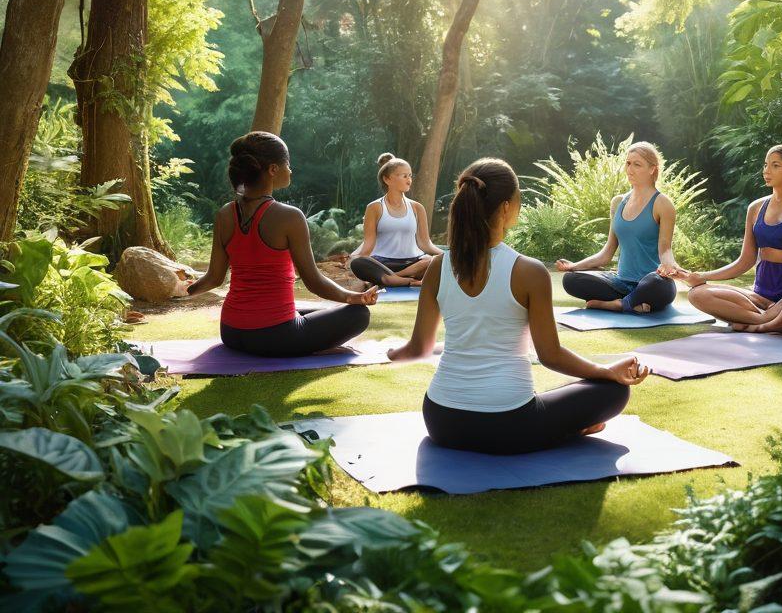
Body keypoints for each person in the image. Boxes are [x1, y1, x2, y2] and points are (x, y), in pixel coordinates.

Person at [388, 158, 650, 455]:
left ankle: (564, 424)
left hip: (441, 421)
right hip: (509, 425)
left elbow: (419, 348)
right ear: (505, 208)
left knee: (574, 393)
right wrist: (605, 372)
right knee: (614, 391)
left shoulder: (437, 266)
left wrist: (390, 353)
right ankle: (569, 427)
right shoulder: (529, 271)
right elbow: (550, 355)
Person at [188, 132, 378, 357]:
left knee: (319, 311)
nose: (291, 169)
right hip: (275, 337)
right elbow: (314, 282)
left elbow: (214, 277)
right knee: (358, 315)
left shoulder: (224, 215)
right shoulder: (290, 217)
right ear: (273, 169)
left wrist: (186, 289)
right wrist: (352, 297)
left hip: (231, 331)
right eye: (287, 163)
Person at [664, 144, 782, 337]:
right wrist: (701, 276)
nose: (766, 171)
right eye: (765, 165)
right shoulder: (755, 208)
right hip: (759, 298)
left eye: (775, 165)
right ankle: (768, 321)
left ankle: (759, 324)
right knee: (697, 294)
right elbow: (744, 262)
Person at [555, 142, 679, 313]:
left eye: (637, 164)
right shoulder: (618, 202)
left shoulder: (663, 204)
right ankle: (634, 303)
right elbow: (606, 253)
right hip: (620, 283)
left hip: (650, 283)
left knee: (659, 284)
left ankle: (621, 304)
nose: (630, 169)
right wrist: (573, 266)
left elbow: (665, 249)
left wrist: (670, 266)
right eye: (628, 163)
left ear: (652, 169)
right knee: (571, 280)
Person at [347, 154, 442, 287]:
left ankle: (394, 278)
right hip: (382, 262)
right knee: (358, 263)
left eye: (410, 176)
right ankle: (405, 280)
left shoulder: (417, 208)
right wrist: (359, 258)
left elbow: (425, 244)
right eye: (404, 176)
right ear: (387, 179)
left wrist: (445, 255)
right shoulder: (374, 207)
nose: (409, 180)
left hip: (413, 263)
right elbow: (368, 244)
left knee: (433, 261)